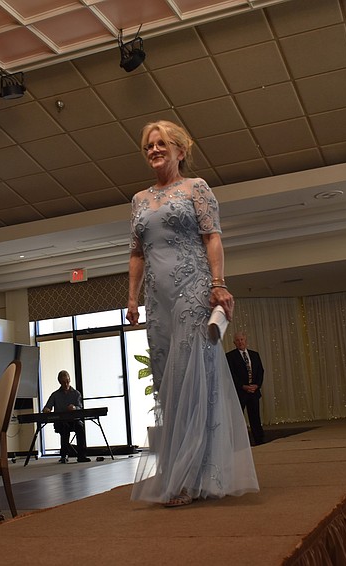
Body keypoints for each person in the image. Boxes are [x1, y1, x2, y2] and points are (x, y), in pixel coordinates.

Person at [126, 120, 259, 508]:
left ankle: (193, 475)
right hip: (157, 300)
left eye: (161, 144)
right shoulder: (138, 199)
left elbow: (212, 236)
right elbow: (136, 253)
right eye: (149, 145)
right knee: (167, 383)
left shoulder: (195, 188)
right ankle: (178, 471)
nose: (154, 150)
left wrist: (218, 283)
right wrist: (132, 299)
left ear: (180, 151)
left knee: (192, 377)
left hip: (193, 289)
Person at [226, 332, 265, 445]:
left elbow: (260, 371)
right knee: (238, 418)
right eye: (237, 340)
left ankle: (259, 440)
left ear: (245, 341)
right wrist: (243, 386)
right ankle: (239, 442)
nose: (240, 342)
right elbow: (230, 374)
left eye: (242, 339)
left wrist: (256, 385)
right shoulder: (230, 356)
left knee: (255, 417)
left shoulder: (254, 355)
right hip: (239, 393)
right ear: (234, 343)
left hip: (253, 391)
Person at [43, 370, 90, 463]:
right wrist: (47, 409)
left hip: (74, 420)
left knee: (80, 427)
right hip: (60, 422)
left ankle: (82, 455)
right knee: (64, 427)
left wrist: (74, 408)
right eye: (63, 382)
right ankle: (64, 455)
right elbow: (47, 407)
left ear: (70, 380)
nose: (66, 384)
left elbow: (80, 407)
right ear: (59, 382)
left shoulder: (76, 393)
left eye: (67, 381)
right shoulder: (55, 395)